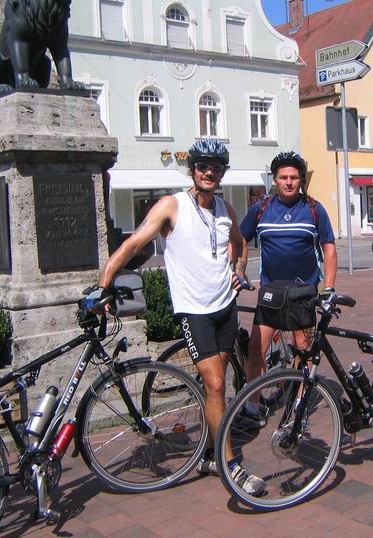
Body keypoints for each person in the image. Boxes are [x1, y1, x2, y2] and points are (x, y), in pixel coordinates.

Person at [94, 138, 264, 495]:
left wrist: (240, 267)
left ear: (222, 173)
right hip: (194, 311)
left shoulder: (226, 209)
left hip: (224, 307)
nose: (209, 172)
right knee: (217, 385)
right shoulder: (172, 205)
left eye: (215, 168)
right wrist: (103, 284)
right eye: (203, 166)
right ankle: (230, 465)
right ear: (193, 170)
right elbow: (133, 244)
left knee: (214, 387)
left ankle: (206, 450)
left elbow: (240, 243)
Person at [239, 151, 337, 419]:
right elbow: (238, 240)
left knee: (304, 349)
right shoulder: (261, 209)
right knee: (256, 349)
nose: (289, 182)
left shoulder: (314, 209)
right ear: (275, 180)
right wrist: (238, 268)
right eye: (283, 177)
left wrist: (328, 288)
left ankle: (300, 401)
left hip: (303, 293)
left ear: (301, 179)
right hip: (271, 293)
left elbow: (329, 248)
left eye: (294, 177)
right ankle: (251, 405)